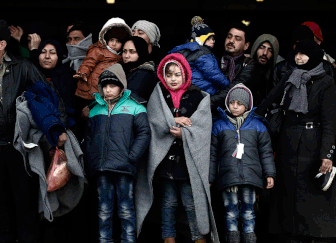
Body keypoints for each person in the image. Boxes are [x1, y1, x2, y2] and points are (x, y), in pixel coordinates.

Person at [0, 19, 68, 243]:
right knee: (0, 206)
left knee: (26, 204)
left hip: (21, 148)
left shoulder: (24, 67)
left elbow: (49, 95)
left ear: (2, 44)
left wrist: (59, 128)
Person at [256, 39, 336, 242]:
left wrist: (326, 155)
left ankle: (310, 234)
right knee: (287, 189)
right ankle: (288, 232)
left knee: (309, 192)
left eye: (303, 54)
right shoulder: (290, 76)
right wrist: (252, 117)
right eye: (296, 54)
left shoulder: (326, 81)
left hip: (313, 141)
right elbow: (270, 99)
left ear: (313, 56)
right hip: (288, 139)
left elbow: (330, 122)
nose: (298, 58)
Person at [135, 53, 219, 243]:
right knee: (168, 203)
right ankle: (168, 238)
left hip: (188, 163)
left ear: (186, 75)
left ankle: (199, 239)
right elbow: (152, 120)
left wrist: (185, 134)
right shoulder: (159, 94)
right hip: (166, 162)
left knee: (191, 204)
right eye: (169, 74)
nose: (173, 79)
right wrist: (173, 120)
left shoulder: (198, 97)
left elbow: (203, 127)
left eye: (177, 74)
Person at [82, 63, 150, 243]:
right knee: (104, 212)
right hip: (102, 168)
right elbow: (88, 137)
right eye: (104, 86)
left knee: (126, 210)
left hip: (124, 168)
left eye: (112, 85)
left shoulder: (135, 106)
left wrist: (132, 156)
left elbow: (144, 133)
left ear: (121, 85)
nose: (107, 90)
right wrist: (91, 158)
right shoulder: (95, 108)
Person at [209, 83, 276, 243]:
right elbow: (213, 154)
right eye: (232, 103)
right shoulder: (218, 125)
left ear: (247, 105)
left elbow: (266, 152)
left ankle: (249, 239)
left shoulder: (258, 126)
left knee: (249, 212)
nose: (235, 106)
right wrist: (210, 177)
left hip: (250, 178)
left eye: (239, 104)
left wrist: (269, 173)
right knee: (230, 212)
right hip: (228, 177)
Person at [73, 17, 131, 140]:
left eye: (118, 41)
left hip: (102, 93)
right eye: (111, 40)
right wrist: (83, 73)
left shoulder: (121, 57)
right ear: (106, 39)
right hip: (89, 91)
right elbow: (89, 62)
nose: (114, 44)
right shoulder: (98, 50)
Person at [168, 16, 230, 95]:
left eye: (213, 39)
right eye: (209, 38)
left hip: (185, 90)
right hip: (202, 91)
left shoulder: (183, 51)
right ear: (200, 39)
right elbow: (213, 74)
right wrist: (229, 86)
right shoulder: (202, 53)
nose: (213, 41)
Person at [210, 22, 254, 115]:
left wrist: (206, 103)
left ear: (246, 45)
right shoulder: (213, 59)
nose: (231, 41)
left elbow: (233, 89)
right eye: (229, 37)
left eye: (237, 39)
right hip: (210, 115)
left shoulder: (248, 64)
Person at [35, 39, 77, 122]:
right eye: (43, 52)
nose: (47, 56)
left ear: (59, 56)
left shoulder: (69, 77)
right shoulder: (32, 75)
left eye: (52, 53)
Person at [122, 36, 158, 102]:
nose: (126, 56)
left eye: (132, 52)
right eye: (124, 51)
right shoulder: (128, 70)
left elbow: (128, 99)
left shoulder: (143, 74)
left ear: (141, 52)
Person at [248, 34, 279, 107]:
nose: (265, 53)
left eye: (270, 50)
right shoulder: (243, 68)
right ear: (255, 49)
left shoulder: (274, 75)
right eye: (262, 48)